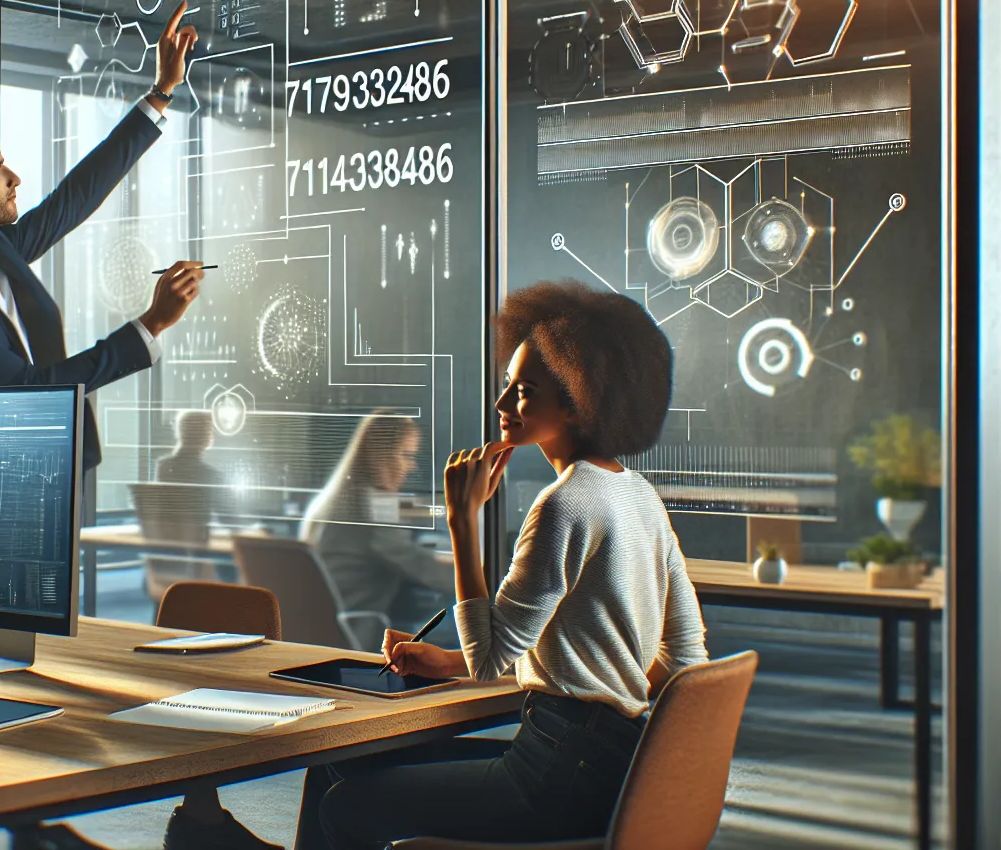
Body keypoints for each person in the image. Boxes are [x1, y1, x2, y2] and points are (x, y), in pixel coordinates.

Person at [294, 280, 707, 850]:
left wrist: (463, 520)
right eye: (508, 384)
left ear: (578, 400)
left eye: (524, 391)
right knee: (337, 764)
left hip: (553, 777)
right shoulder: (640, 496)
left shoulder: (564, 504)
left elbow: (488, 661)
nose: (502, 403)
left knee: (347, 805)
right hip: (610, 771)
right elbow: (685, 657)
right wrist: (450, 663)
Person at [0, 1, 203, 472]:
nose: (13, 178)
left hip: (59, 467)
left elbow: (74, 198)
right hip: (1, 491)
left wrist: (161, 92)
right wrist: (151, 323)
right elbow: (32, 391)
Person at [299, 414, 452, 645]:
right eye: (406, 455)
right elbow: (424, 568)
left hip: (317, 632)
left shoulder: (329, 501)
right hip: (358, 636)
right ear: (382, 458)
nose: (412, 466)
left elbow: (413, 514)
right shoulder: (378, 507)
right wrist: (484, 574)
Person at [157, 409, 226, 488]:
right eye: (210, 430)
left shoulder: (164, 465)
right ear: (204, 435)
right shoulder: (212, 476)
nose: (212, 435)